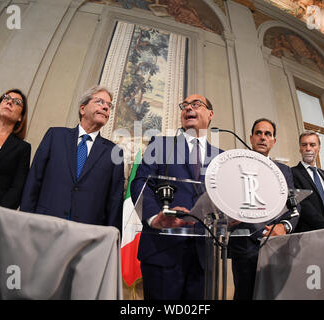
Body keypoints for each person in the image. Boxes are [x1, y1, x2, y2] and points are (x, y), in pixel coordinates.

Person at [130, 94, 221, 300]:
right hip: (162, 251)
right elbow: (140, 183)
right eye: (185, 105)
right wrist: (155, 218)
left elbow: (225, 197)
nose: (188, 108)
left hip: (202, 257)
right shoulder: (161, 145)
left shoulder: (221, 157)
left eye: (196, 104)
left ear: (210, 114)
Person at [20, 86, 124, 230]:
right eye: (100, 102)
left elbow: (114, 201)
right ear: (83, 109)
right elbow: (34, 180)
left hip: (86, 234)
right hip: (44, 225)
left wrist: (112, 237)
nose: (106, 107)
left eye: (109, 105)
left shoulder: (115, 152)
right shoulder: (55, 136)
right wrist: (25, 220)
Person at [229, 118, 298, 300]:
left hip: (277, 246)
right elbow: (226, 199)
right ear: (251, 138)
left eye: (268, 134)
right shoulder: (235, 164)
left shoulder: (284, 171)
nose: (262, 137)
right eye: (258, 133)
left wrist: (284, 226)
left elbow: (294, 206)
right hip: (244, 248)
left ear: (273, 141)